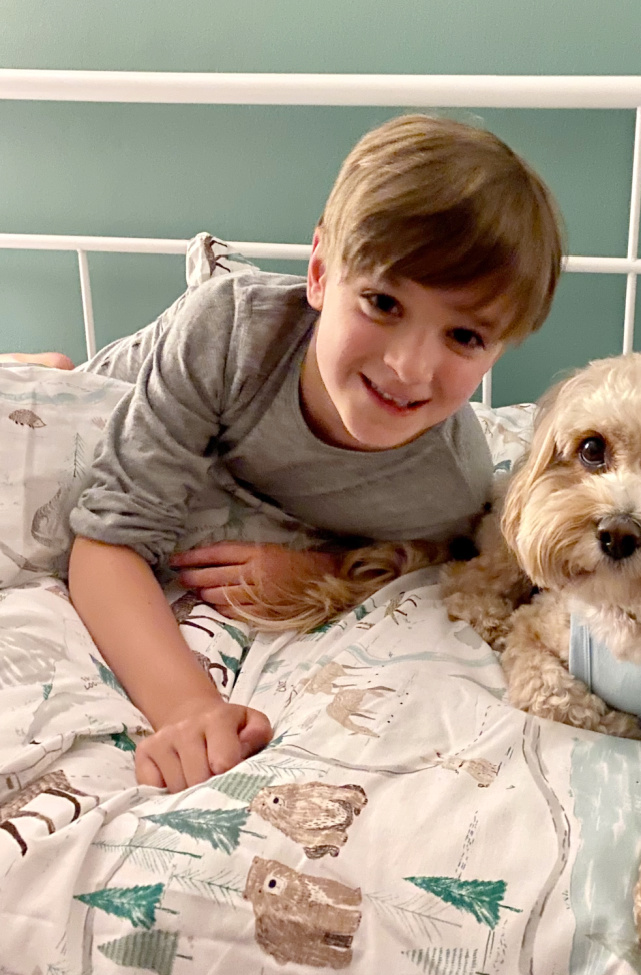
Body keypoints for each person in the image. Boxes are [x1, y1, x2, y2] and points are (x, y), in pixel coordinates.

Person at [7, 114, 563, 794]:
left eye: (465, 337)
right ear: (322, 272)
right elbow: (106, 542)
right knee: (51, 396)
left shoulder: (447, 487)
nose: (410, 367)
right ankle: (42, 367)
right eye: (384, 302)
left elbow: (420, 563)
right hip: (127, 388)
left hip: (233, 469)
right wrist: (190, 710)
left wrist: (319, 572)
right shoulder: (229, 329)